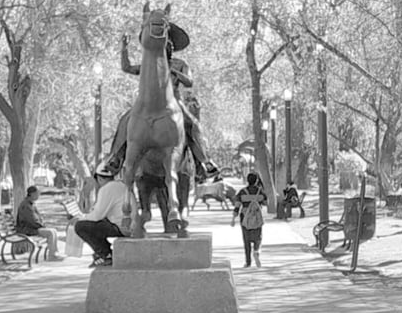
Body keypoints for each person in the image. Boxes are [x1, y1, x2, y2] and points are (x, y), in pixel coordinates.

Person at [101, 25, 220, 183]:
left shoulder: (180, 64)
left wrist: (173, 72)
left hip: (174, 102)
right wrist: (124, 49)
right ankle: (115, 157)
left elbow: (189, 82)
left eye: (167, 45)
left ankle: (204, 162)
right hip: (148, 102)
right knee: (126, 120)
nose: (164, 48)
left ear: (171, 47)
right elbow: (127, 68)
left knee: (192, 124)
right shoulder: (149, 64)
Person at [74, 167, 128, 267]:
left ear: (99, 179)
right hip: (128, 225)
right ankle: (104, 252)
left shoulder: (106, 189)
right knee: (96, 225)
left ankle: (105, 254)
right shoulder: (121, 185)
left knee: (80, 226)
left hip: (120, 227)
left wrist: (82, 218)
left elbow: (97, 215)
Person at [14, 186, 62, 261]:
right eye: (37, 193)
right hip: (27, 230)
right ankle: (52, 256)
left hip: (33, 227)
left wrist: (42, 224)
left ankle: (55, 254)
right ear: (31, 194)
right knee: (50, 233)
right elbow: (31, 221)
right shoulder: (25, 205)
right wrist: (42, 226)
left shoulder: (31, 204)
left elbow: (38, 217)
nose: (38, 195)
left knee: (54, 231)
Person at [231, 172, 267, 268]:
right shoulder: (260, 191)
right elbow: (266, 202)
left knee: (246, 240)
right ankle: (257, 251)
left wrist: (233, 218)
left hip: (245, 217)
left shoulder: (242, 192)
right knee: (258, 236)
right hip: (257, 217)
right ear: (256, 181)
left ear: (247, 180)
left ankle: (248, 262)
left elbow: (237, 206)